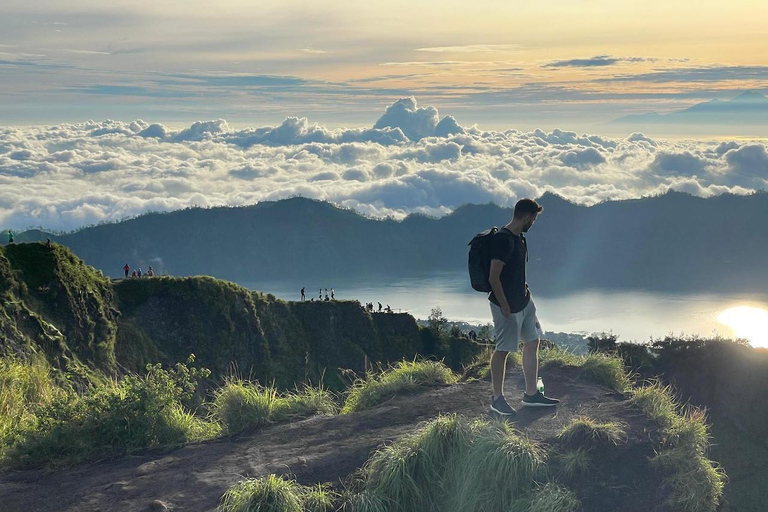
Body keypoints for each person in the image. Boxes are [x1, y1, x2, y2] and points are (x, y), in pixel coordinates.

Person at [488, 198, 559, 416]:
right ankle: (497, 399)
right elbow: (493, 277)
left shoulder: (520, 238)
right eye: (534, 219)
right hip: (507, 306)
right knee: (502, 350)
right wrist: (504, 305)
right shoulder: (503, 240)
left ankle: (531, 394)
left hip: (525, 301)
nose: (533, 223)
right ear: (527, 217)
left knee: (532, 341)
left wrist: (525, 296)